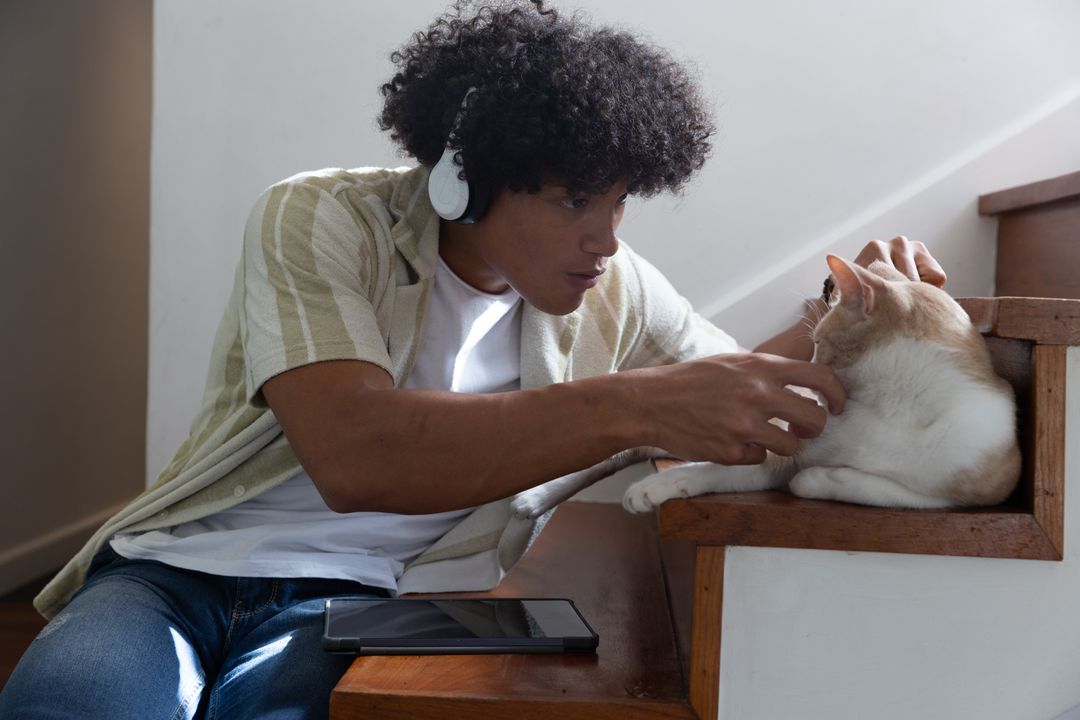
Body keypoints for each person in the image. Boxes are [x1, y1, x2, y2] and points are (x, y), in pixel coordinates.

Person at [0, 1, 947, 718]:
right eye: (574, 201)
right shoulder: (322, 216)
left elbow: (737, 391)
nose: (606, 238)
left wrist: (859, 306)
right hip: (180, 571)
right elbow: (355, 455)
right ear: (466, 177)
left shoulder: (618, 287)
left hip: (379, 596)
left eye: (619, 202)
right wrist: (639, 406)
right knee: (61, 707)